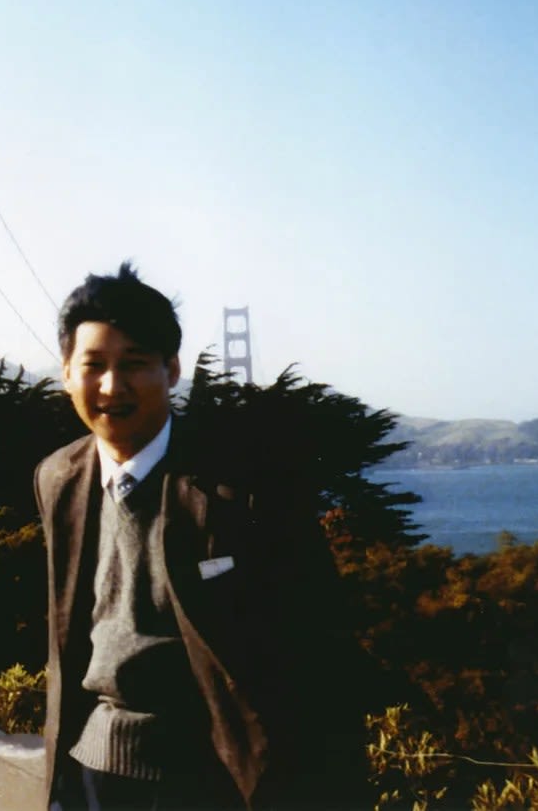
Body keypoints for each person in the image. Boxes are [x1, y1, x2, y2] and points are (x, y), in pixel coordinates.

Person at [34, 263, 366, 810]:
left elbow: (321, 651)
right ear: (67, 372)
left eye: (135, 364)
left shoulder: (245, 487)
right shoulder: (57, 478)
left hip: (214, 779)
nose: (112, 387)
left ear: (172, 370)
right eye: (93, 366)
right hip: (90, 772)